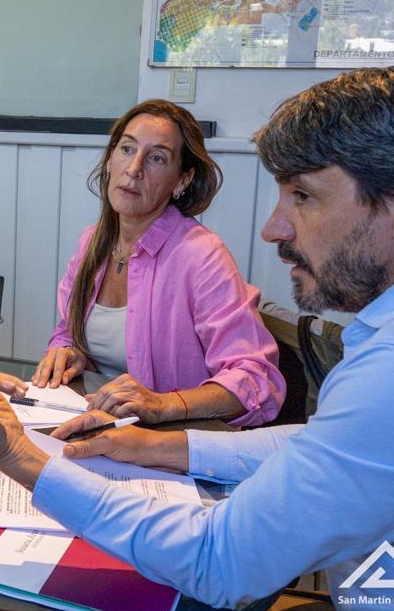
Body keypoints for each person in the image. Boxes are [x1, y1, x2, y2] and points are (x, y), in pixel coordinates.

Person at [0, 65, 394, 611]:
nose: (273, 228)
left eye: (303, 196)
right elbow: (326, 443)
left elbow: (217, 561)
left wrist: (22, 458)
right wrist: (153, 446)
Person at [34, 99, 284, 426]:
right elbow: (67, 331)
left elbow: (257, 380)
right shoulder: (91, 241)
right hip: (97, 424)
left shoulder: (202, 255)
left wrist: (163, 404)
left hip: (168, 439)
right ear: (110, 159)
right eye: (127, 149)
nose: (134, 169)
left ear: (182, 180)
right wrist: (67, 351)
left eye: (156, 158)